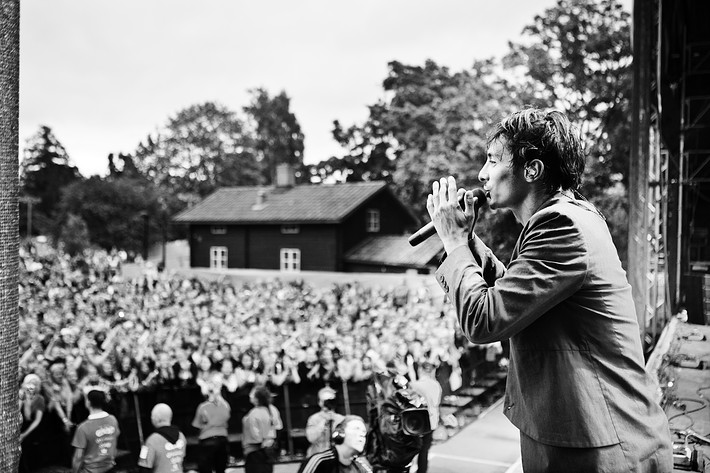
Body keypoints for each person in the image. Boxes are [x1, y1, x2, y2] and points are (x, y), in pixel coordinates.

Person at [426, 108, 673, 472]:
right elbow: (514, 297)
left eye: (493, 160)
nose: (482, 174)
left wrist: (454, 244)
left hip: (603, 449)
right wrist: (466, 239)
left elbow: (485, 319)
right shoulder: (563, 218)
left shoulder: (562, 225)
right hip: (585, 439)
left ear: (532, 169)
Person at [297, 415, 372, 473]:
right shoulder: (320, 461)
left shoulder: (361, 466)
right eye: (356, 429)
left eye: (364, 432)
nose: (362, 435)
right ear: (340, 433)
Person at [71, 388, 121, 473]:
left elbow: (78, 457)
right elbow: (116, 437)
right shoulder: (113, 420)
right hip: (110, 468)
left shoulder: (83, 427)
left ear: (88, 402)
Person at [192, 374, 231, 473]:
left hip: (207, 440)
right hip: (222, 440)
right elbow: (228, 415)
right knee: (220, 469)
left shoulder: (202, 407)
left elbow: (197, 425)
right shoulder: (225, 405)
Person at [242, 384, 283, 473]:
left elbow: (256, 435)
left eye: (252, 394)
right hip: (269, 450)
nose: (249, 395)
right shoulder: (273, 409)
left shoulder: (254, 413)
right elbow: (279, 427)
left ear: (256, 398)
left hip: (256, 452)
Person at [408, 362, 441, 473]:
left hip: (419, 423)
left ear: (420, 370)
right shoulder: (436, 385)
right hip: (432, 421)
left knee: (412, 449)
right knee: (424, 451)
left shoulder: (416, 385)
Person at [138, 403, 187, 473]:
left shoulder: (151, 440)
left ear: (156, 418)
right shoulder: (181, 436)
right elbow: (183, 462)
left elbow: (143, 467)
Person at [305, 387, 345, 457]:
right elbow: (311, 438)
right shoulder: (314, 419)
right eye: (324, 401)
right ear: (319, 402)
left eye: (330, 401)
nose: (327, 403)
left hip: (337, 456)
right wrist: (323, 423)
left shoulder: (341, 419)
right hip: (318, 455)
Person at [19, 373, 46, 473]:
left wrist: (25, 434)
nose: (32, 386)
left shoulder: (40, 399)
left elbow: (37, 420)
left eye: (35, 384)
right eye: (29, 383)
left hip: (32, 428)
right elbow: (18, 410)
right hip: (20, 425)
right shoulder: (21, 395)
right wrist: (24, 398)